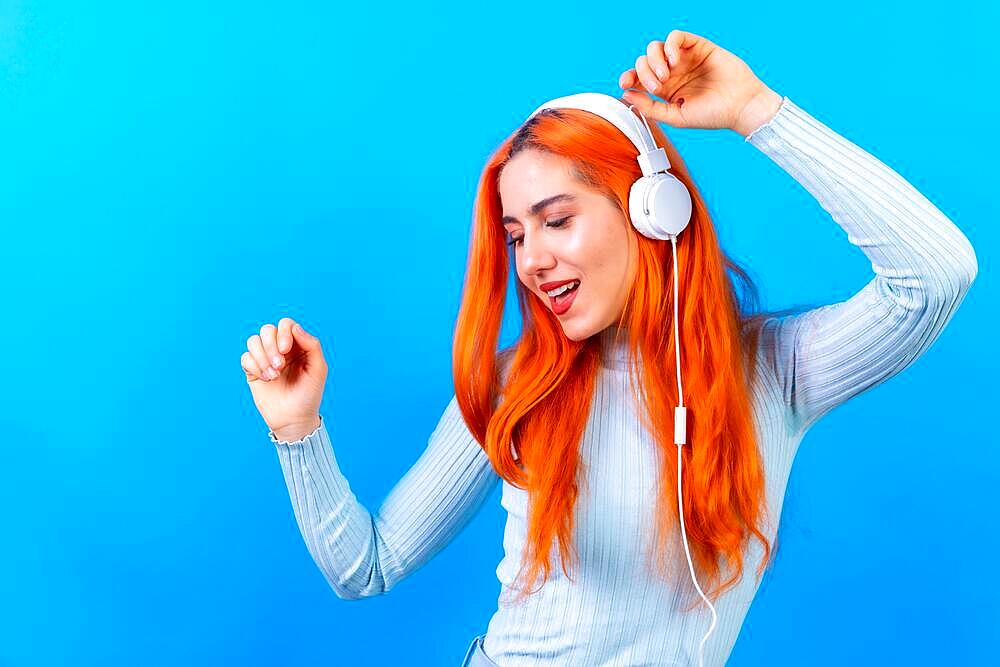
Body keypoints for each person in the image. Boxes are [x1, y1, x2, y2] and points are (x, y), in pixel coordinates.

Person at [240, 29, 978, 667]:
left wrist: (759, 113)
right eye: (517, 235)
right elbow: (366, 565)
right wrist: (296, 429)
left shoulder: (775, 370)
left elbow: (936, 274)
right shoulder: (515, 388)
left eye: (556, 220)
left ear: (652, 209)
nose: (531, 260)